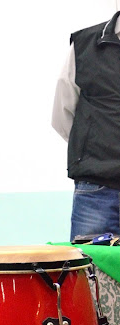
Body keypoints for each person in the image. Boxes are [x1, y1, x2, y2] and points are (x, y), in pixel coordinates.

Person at [52, 10, 120, 241]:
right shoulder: (84, 45)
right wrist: (92, 148)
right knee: (90, 273)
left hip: (94, 187)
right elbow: (63, 114)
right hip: (95, 190)